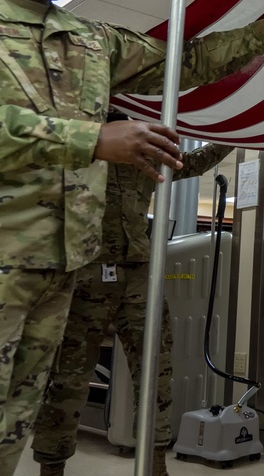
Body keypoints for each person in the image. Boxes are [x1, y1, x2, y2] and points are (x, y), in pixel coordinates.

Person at [0, 0, 264, 475]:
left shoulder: (90, 40)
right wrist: (89, 140)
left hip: (62, 269)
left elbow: (186, 63)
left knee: (15, 417)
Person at [32, 135, 234, 476]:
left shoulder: (146, 161)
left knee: (156, 372)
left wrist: (231, 133)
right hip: (87, 274)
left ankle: (155, 464)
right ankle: (52, 466)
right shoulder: (78, 155)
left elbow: (193, 161)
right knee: (68, 377)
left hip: (140, 275)